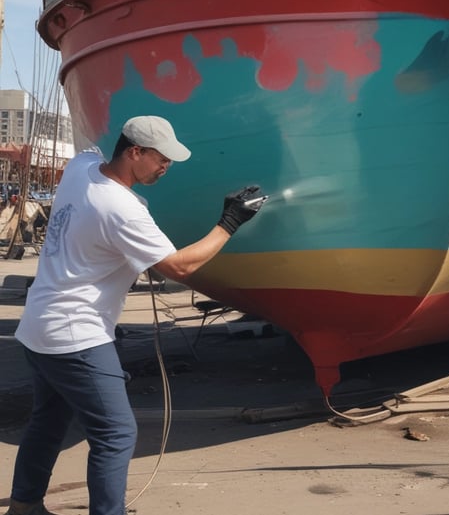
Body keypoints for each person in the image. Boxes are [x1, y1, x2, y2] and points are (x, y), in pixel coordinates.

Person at [5, 115, 265, 515]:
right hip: (77, 335)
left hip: (38, 328)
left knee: (48, 420)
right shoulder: (121, 208)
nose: (166, 168)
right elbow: (178, 267)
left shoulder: (81, 168)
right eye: (161, 160)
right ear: (135, 152)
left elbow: (92, 147)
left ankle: (24, 505)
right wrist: (229, 222)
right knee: (115, 432)